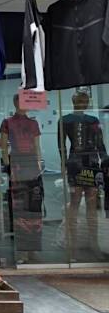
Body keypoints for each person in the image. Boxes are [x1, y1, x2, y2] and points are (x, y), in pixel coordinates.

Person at [59, 91, 108, 257]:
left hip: (91, 163)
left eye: (85, 100)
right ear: (74, 101)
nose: (84, 103)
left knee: (91, 205)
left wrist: (105, 162)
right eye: (81, 100)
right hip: (75, 163)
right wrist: (63, 164)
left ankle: (93, 244)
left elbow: (100, 144)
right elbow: (61, 145)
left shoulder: (93, 120)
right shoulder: (65, 120)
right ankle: (72, 246)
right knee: (75, 203)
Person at [0, 94, 43, 262]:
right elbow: (4, 148)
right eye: (21, 101)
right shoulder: (7, 122)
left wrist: (39, 166)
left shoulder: (33, 123)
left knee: (34, 207)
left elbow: (37, 147)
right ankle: (22, 250)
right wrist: (7, 166)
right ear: (15, 102)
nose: (24, 104)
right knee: (19, 207)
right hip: (17, 165)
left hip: (31, 166)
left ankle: (33, 248)